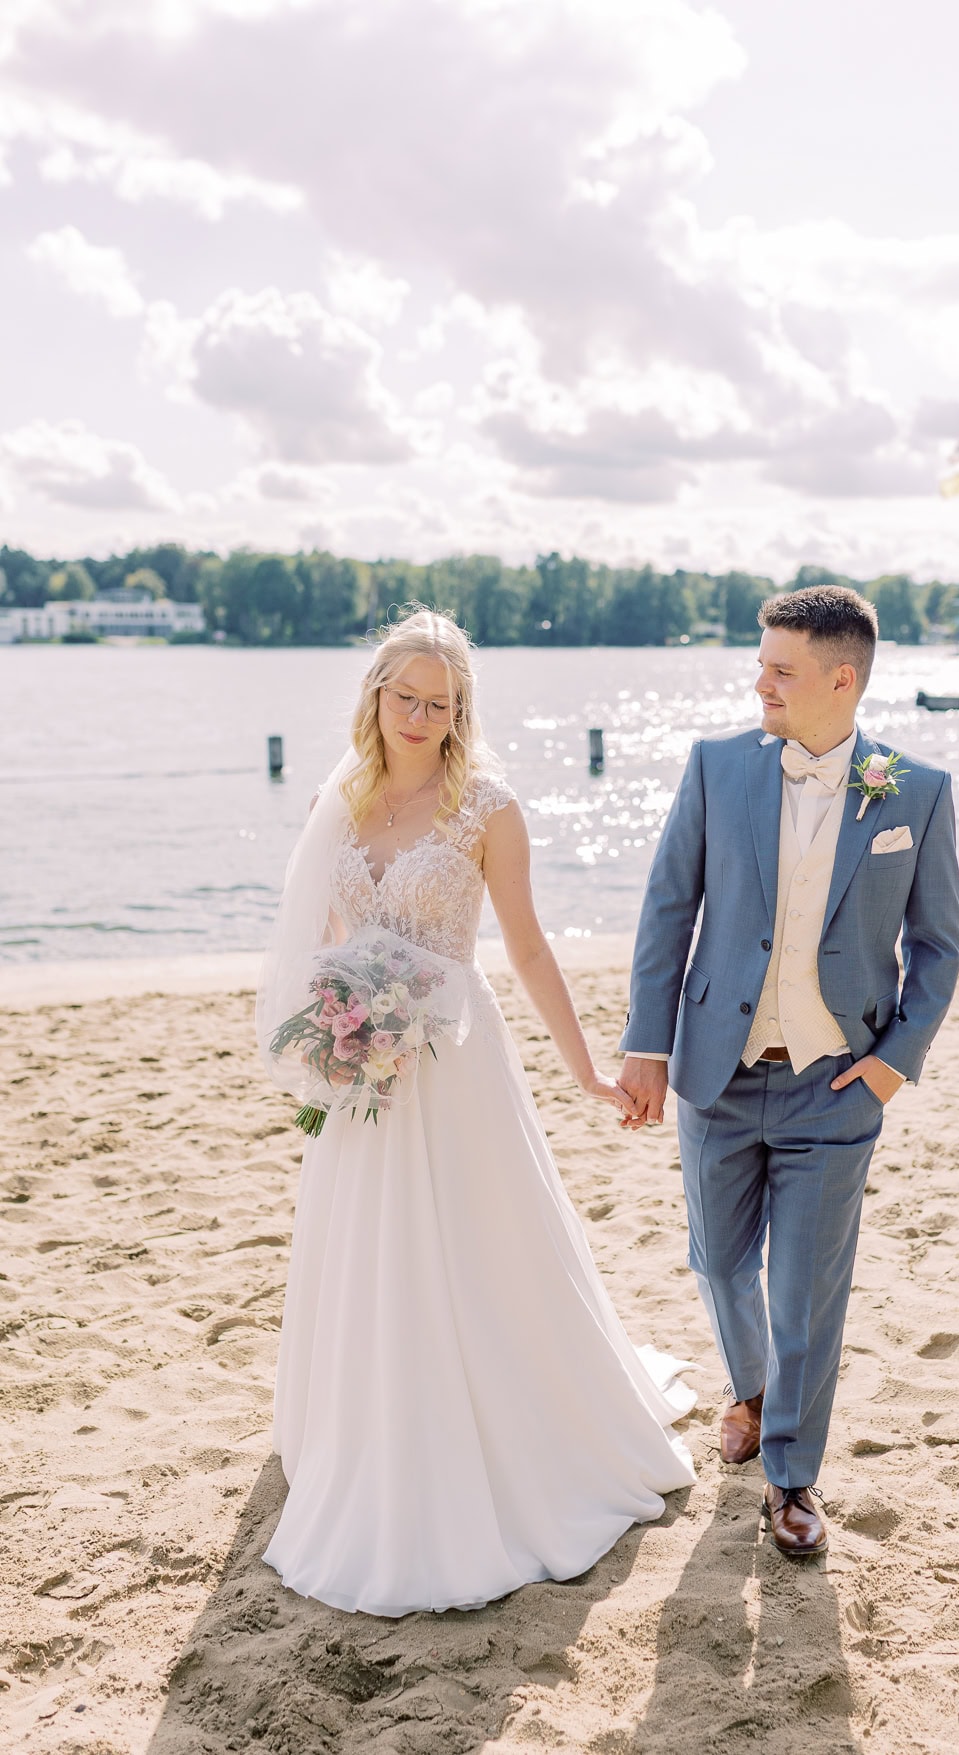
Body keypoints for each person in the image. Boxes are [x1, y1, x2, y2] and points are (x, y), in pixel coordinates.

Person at [256, 609, 695, 1617]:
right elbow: (324, 934)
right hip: (366, 1062)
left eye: (439, 703)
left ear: (461, 712)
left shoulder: (487, 808)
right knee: (369, 1244)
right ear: (376, 695)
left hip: (454, 1059)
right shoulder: (337, 800)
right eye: (405, 697)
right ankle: (367, 1424)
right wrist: (338, 1020)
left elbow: (528, 948)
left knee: (472, 1242)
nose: (420, 717)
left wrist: (586, 1071)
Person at [618, 585, 959, 1558]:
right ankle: (754, 1387)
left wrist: (894, 1064)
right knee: (720, 1262)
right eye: (761, 664)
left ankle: (792, 1475)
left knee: (807, 1288)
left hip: (837, 1083)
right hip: (717, 1072)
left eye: (781, 669)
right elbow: (667, 909)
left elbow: (938, 946)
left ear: (841, 680)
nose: (760, 683)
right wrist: (647, 1045)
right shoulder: (717, 766)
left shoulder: (915, 789)